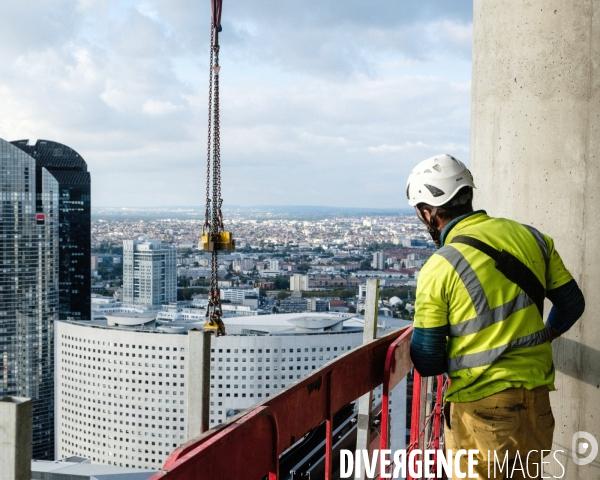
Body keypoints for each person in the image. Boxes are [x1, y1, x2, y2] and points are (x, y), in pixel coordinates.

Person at [407, 154, 585, 479]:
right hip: (537, 400)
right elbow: (571, 304)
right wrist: (543, 336)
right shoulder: (532, 237)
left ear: (428, 212)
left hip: (481, 410)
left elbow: (427, 358)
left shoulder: (440, 266)